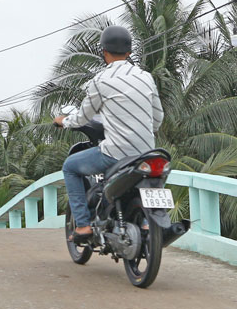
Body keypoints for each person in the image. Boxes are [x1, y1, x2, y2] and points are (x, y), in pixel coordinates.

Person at [54, 25, 163, 241]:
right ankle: (145, 222)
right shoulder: (146, 77)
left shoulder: (101, 81)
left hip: (115, 152)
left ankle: (83, 226)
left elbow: (83, 117)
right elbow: (157, 117)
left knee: (70, 167)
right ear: (129, 52)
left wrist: (64, 121)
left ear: (104, 52)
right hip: (147, 152)